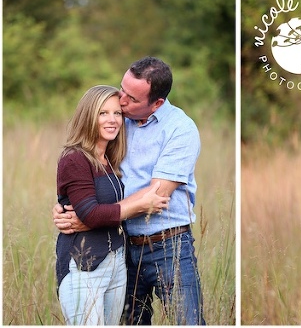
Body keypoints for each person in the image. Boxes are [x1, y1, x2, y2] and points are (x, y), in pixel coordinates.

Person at [53, 57, 207, 325]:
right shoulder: (117, 120)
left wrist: (91, 217)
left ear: (156, 103)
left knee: (187, 322)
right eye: (122, 89)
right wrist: (70, 204)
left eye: (131, 98)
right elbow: (87, 175)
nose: (121, 101)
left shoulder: (180, 129)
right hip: (121, 248)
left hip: (168, 246)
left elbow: (155, 195)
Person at [56, 85, 169, 325]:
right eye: (103, 113)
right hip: (84, 266)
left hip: (116, 263)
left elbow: (96, 210)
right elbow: (91, 214)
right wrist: (142, 205)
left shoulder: (109, 158)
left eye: (117, 113)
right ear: (89, 116)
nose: (112, 120)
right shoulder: (74, 158)